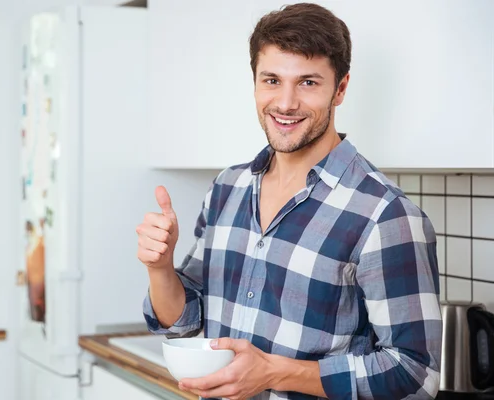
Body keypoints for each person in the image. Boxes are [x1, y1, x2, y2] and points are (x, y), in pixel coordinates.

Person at [137, 3, 442, 399]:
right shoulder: (228, 188)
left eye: (308, 83)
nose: (285, 103)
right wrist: (160, 269)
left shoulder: (384, 215)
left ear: (341, 88)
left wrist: (273, 373)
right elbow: (185, 323)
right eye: (272, 80)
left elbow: (416, 375)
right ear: (255, 84)